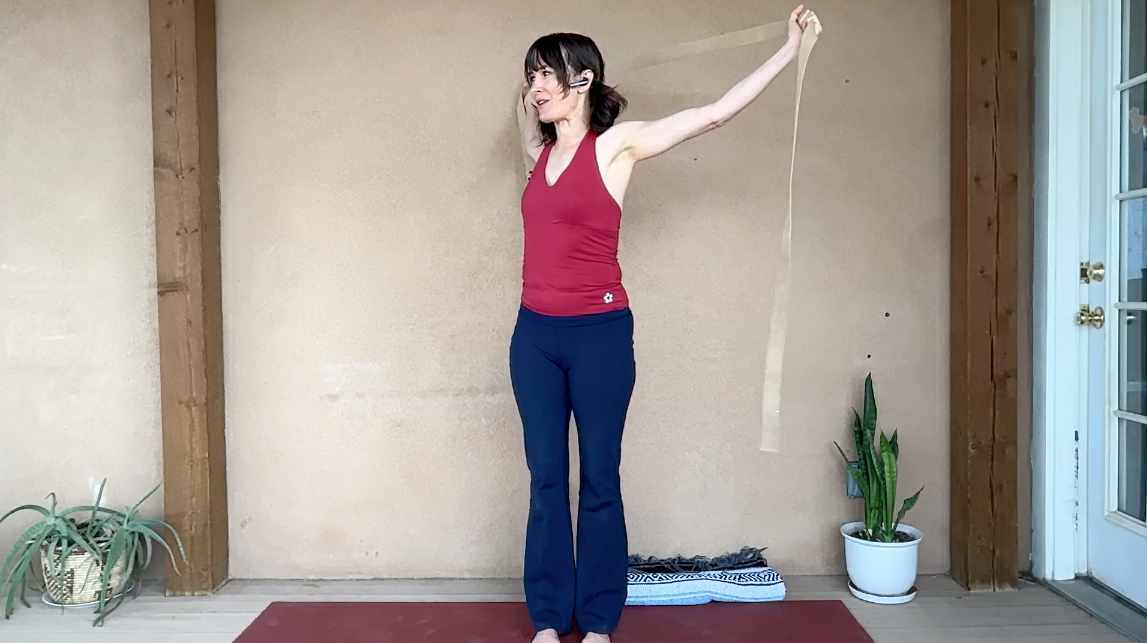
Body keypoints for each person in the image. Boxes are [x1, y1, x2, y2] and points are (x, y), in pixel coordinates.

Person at [510, 6, 818, 643]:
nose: (536, 86)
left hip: (598, 337)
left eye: (548, 74)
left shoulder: (618, 147)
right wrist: (547, 94)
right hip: (533, 337)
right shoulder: (536, 153)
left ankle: (596, 621)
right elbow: (532, 116)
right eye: (531, 75)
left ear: (585, 79)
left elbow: (713, 114)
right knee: (545, 480)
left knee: (598, 478)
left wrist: (789, 48)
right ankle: (547, 619)